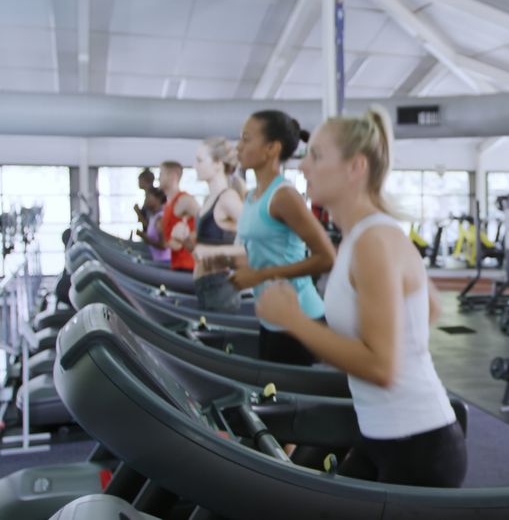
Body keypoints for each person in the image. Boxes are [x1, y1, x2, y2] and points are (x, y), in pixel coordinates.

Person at [256, 106, 466, 488]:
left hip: (417, 445)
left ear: (355, 168)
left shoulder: (373, 240)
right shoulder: (365, 236)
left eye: (316, 156)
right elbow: (430, 306)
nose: (303, 167)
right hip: (381, 433)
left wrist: (295, 321)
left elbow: (382, 368)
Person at [231, 110, 335, 365]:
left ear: (271, 148)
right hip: (270, 315)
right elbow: (263, 252)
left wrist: (259, 276)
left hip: (301, 315)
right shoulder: (251, 196)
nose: (239, 146)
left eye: (246, 139)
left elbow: (326, 258)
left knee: (292, 401)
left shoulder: (284, 196)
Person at [172, 138, 246, 313]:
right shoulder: (208, 201)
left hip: (222, 290)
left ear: (218, 164)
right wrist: (186, 242)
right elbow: (201, 252)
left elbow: (258, 240)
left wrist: (213, 253)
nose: (195, 166)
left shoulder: (228, 198)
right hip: (205, 288)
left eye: (200, 160)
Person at [158, 161, 198, 272]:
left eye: (161, 173)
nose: (158, 178)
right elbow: (167, 241)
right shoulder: (167, 204)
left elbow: (207, 224)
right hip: (177, 265)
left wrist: (187, 237)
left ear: (173, 176)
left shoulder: (184, 200)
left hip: (190, 267)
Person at [135, 187, 170, 264]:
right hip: (158, 261)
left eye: (148, 197)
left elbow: (164, 245)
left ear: (158, 199)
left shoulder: (160, 218)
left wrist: (145, 238)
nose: (145, 201)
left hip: (165, 262)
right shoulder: (153, 216)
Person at [133, 167, 155, 232]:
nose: (138, 182)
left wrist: (137, 211)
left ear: (144, 180)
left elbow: (149, 224)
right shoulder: (148, 195)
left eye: (139, 180)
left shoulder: (151, 197)